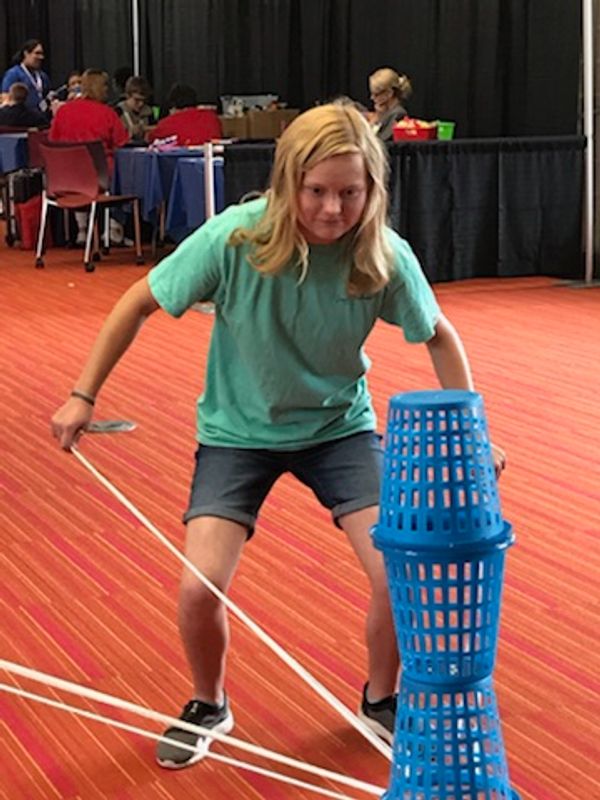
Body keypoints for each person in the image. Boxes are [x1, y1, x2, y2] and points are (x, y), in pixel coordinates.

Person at [50, 103, 506, 769]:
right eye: (316, 190)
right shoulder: (236, 238)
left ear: (372, 190)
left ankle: (382, 698)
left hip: (338, 428)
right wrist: (82, 394)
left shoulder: (381, 252)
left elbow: (438, 334)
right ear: (288, 179)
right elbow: (137, 301)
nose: (331, 209)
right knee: (198, 585)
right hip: (238, 432)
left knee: (397, 570)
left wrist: (472, 434)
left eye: (350, 193)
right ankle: (210, 702)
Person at [49, 68, 129, 244]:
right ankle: (114, 227)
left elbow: (52, 142)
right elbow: (122, 144)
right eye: (106, 86)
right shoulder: (107, 114)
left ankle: (82, 229)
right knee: (127, 173)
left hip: (64, 179)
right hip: (100, 178)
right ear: (100, 88)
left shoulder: (63, 112)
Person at [150, 83, 222, 145]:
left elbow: (151, 139)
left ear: (173, 106)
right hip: (212, 159)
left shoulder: (167, 123)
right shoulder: (212, 118)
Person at [1, 39, 51, 113]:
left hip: (40, 119)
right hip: (20, 119)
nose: (41, 57)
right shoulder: (13, 74)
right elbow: (5, 98)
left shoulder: (43, 76)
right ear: (26, 53)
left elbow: (47, 96)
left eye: (42, 54)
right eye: (37, 53)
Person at [368, 67, 412, 142]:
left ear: (389, 93)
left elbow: (380, 142)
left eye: (376, 94)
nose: (372, 98)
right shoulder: (387, 113)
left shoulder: (398, 114)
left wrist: (376, 121)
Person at [115, 76, 153, 141]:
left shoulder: (149, 112)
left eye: (144, 101)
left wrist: (146, 129)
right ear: (127, 96)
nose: (141, 104)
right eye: (137, 100)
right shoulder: (117, 112)